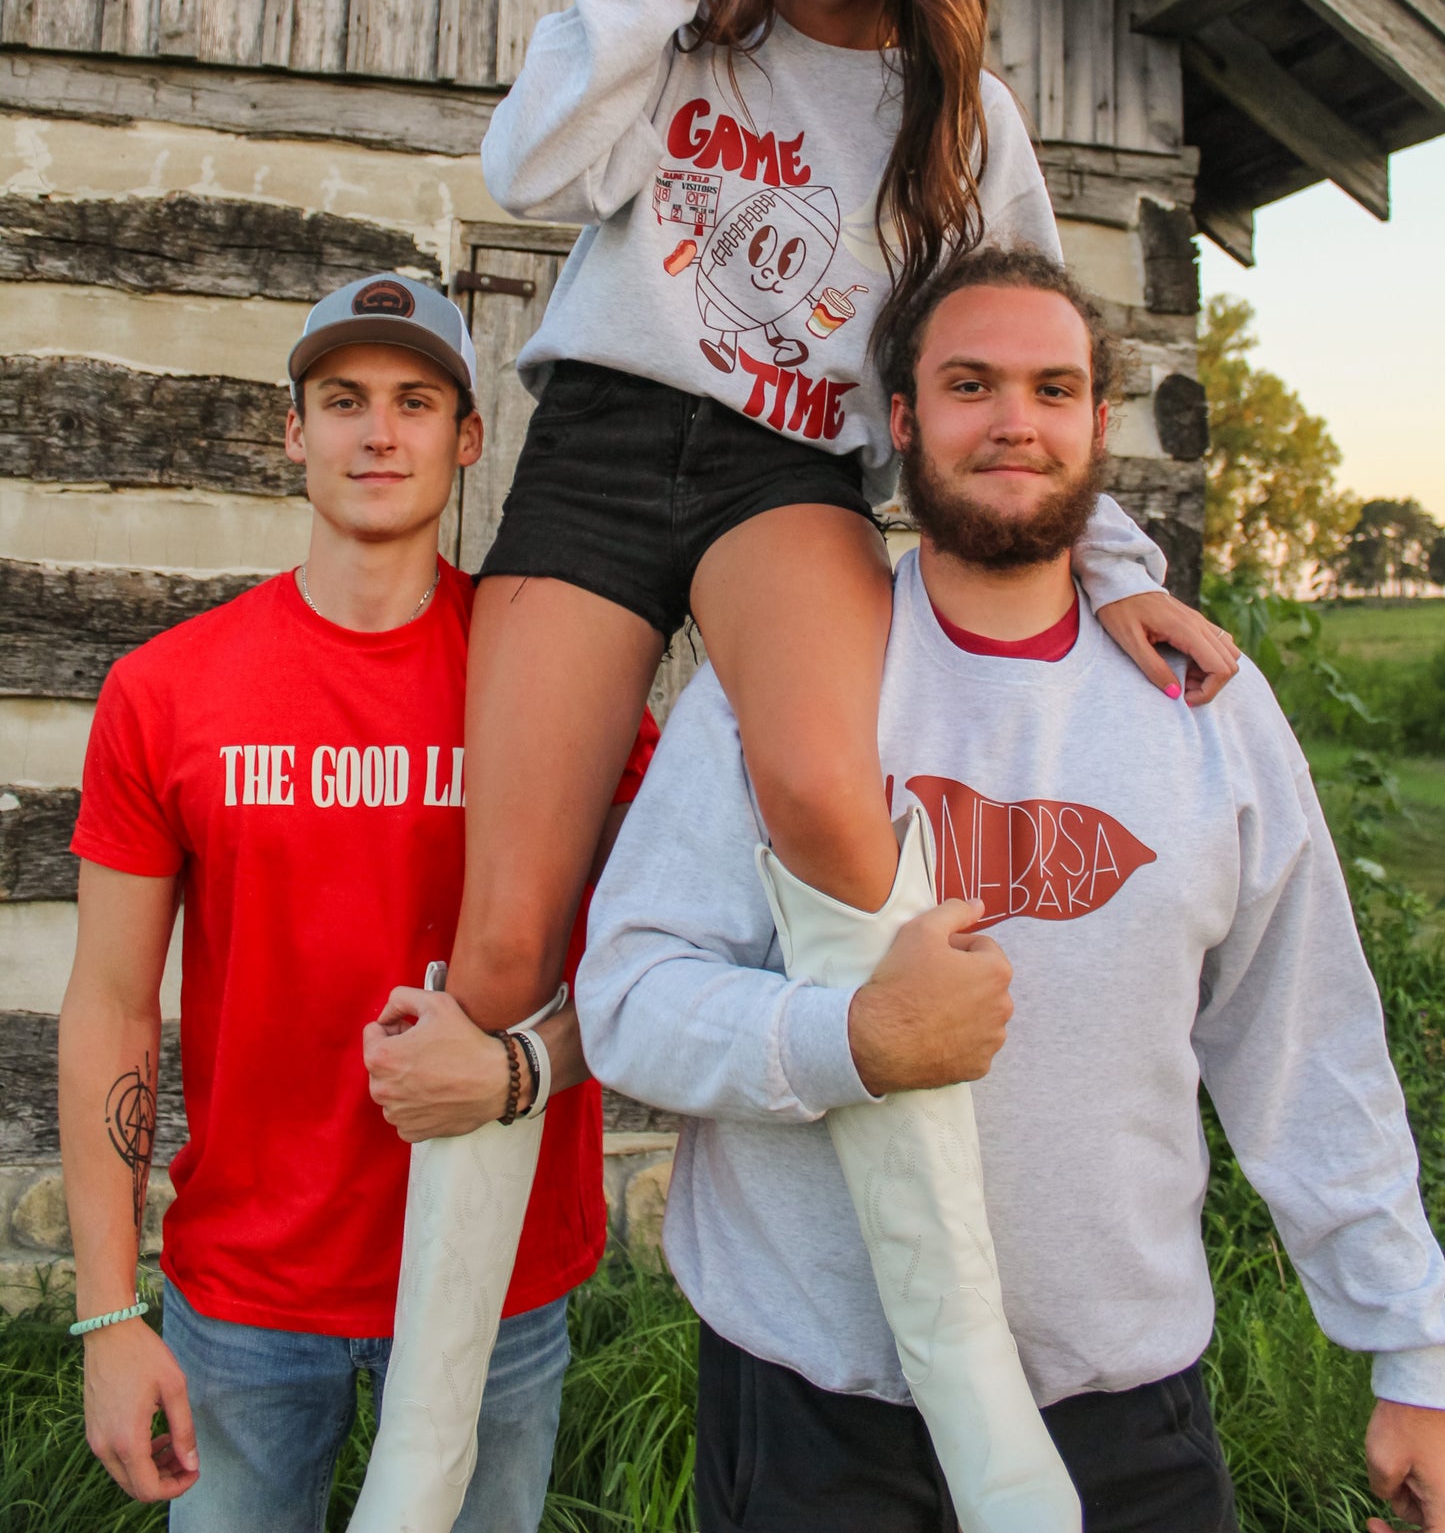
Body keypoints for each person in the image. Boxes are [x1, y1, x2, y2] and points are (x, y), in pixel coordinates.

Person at [355, 0, 1240, 1526]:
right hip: (601, 447)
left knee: (836, 810)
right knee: (505, 943)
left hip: (787, 474)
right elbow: (528, 165)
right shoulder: (681, 13)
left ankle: (980, 1407)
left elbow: (1010, 343)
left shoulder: (960, 111)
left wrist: (1129, 573)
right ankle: (417, 1473)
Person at [576, 245, 1445, 1533]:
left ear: (1098, 423)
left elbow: (1301, 1039)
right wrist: (851, 1038)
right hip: (820, 1411)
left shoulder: (1200, 706)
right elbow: (627, 996)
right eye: (970, 383)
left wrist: (1409, 1342)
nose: (1014, 422)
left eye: (1052, 387)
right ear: (905, 419)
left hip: (1121, 1406)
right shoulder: (789, 685)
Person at [57, 272, 656, 1532]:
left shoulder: (555, 675)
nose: (378, 431)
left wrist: (512, 1070)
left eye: (415, 400)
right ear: (294, 431)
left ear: (466, 436)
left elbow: (650, 963)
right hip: (247, 1296)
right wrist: (110, 1311)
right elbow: (111, 1002)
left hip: (494, 1276)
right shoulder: (167, 691)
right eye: (341, 400)